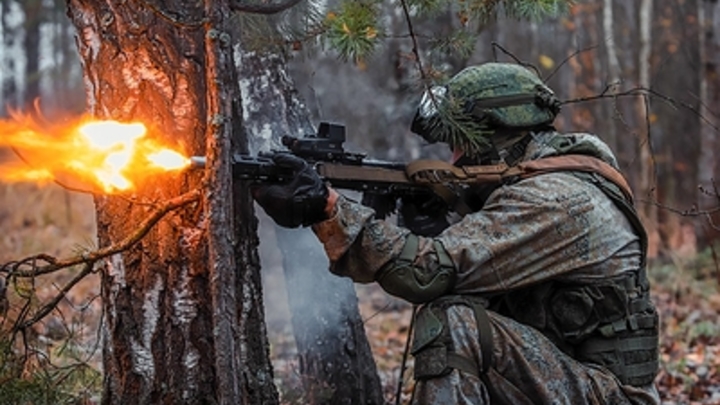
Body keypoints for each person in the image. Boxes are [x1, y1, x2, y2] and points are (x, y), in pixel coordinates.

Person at [252, 62, 660, 404]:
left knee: (453, 323)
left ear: (493, 138)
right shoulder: (554, 179)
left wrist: (329, 208)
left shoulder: (554, 197)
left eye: (459, 145)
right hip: (578, 382)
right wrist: (442, 225)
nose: (452, 159)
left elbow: (426, 275)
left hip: (610, 395)